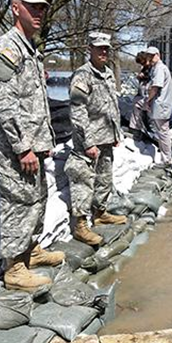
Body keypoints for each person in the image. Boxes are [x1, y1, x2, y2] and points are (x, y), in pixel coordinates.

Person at [0, 0, 65, 291]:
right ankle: (14, 269)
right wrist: (22, 147)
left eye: (42, 9)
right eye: (32, 7)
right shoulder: (8, 47)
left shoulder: (31, 49)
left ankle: (31, 251)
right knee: (19, 203)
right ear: (16, 8)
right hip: (17, 148)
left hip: (35, 143)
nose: (39, 13)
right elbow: (3, 102)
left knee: (37, 199)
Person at [64, 32, 127, 246]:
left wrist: (116, 133)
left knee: (104, 178)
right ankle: (81, 225)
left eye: (106, 48)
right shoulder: (82, 75)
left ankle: (100, 212)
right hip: (89, 140)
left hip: (106, 136)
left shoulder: (108, 73)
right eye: (99, 48)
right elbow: (78, 111)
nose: (103, 52)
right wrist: (88, 142)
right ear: (89, 49)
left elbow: (111, 105)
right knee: (84, 181)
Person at [145, 46, 172, 163]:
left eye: (153, 56)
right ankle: (165, 157)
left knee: (163, 133)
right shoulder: (156, 68)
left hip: (161, 105)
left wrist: (148, 99)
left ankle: (167, 159)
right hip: (161, 105)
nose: (151, 58)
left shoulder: (160, 68)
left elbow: (156, 86)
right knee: (162, 132)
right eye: (149, 56)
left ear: (158, 55)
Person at [129, 51, 153, 139]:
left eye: (143, 62)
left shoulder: (153, 67)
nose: (143, 64)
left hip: (151, 97)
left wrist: (144, 76)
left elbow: (153, 79)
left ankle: (137, 128)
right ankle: (136, 128)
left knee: (138, 104)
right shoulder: (145, 68)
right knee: (136, 104)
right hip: (143, 95)